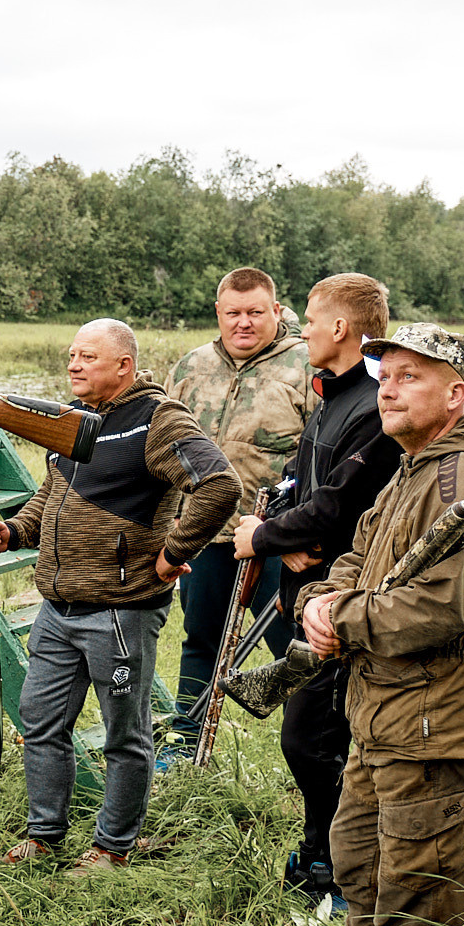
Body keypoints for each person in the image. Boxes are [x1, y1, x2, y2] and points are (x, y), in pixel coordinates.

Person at [292, 324, 464, 926]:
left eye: (409, 377)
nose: (387, 390)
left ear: (456, 394)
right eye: (384, 375)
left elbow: (443, 607)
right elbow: (358, 558)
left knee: (420, 890)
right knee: (361, 860)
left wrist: (345, 618)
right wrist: (319, 600)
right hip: (386, 718)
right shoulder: (413, 471)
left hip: (436, 726)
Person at [0, 320, 239, 870]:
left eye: (87, 357)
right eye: (71, 355)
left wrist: (172, 551)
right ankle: (44, 835)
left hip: (119, 614)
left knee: (124, 733)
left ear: (124, 365)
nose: (73, 365)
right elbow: (51, 498)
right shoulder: (75, 424)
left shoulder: (158, 419)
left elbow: (220, 485)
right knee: (39, 721)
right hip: (57, 608)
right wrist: (12, 533)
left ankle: (113, 846)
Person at [233, 273, 403, 908]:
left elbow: (341, 508)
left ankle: (335, 872)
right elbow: (307, 485)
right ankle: (322, 855)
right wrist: (283, 529)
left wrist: (266, 536)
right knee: (316, 739)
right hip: (304, 593)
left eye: (308, 317)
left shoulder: (371, 404)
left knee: (313, 740)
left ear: (340, 328)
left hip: (342, 603)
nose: (298, 327)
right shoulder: (333, 397)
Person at [161, 268, 311, 759]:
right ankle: (186, 743)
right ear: (219, 313)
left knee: (291, 644)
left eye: (254, 313)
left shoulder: (308, 369)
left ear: (275, 311)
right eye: (233, 313)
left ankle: (310, 750)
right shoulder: (189, 367)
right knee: (199, 637)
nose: (243, 323)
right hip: (205, 532)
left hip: (275, 536)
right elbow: (163, 447)